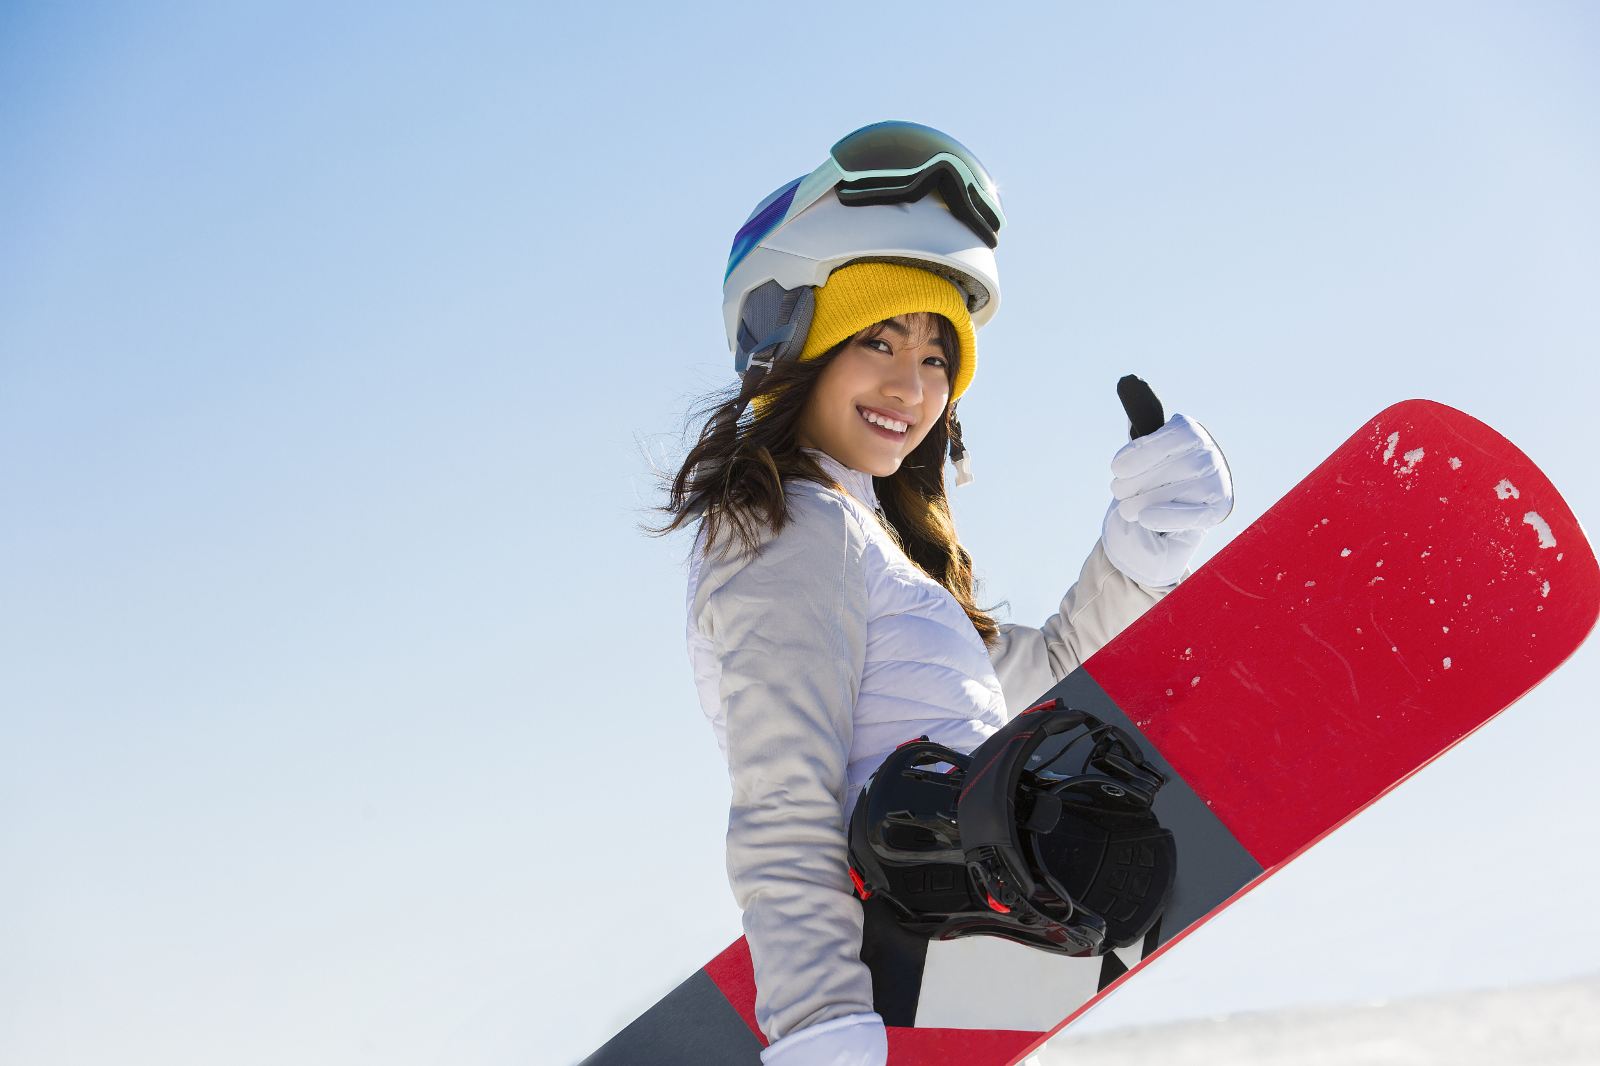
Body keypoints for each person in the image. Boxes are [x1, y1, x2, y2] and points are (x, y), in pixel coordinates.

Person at [652, 122, 1232, 1066]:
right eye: (877, 338)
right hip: (873, 967)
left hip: (963, 899)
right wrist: (818, 1029)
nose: (911, 385)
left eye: (936, 355)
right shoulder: (791, 528)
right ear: (798, 345)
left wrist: (1142, 547)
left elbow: (1041, 685)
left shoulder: (877, 553)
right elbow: (782, 796)